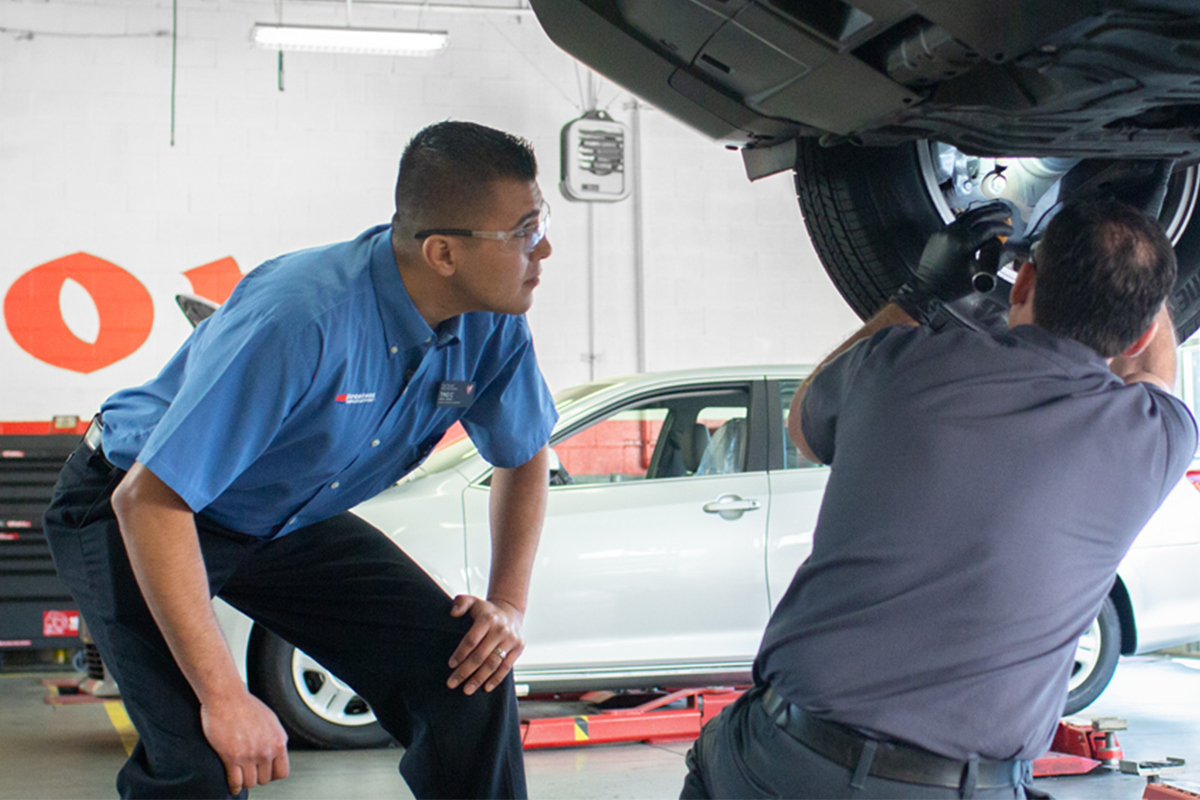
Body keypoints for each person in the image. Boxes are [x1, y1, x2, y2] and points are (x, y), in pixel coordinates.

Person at [43, 120, 557, 800]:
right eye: (522, 232)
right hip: (134, 508)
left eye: (540, 222)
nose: (543, 249)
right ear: (442, 253)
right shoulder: (305, 317)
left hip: (278, 518)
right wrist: (226, 697)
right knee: (205, 759)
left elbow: (524, 456)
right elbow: (151, 500)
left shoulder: (493, 322)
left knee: (465, 674)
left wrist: (508, 606)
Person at [680, 197, 1198, 800]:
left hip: (784, 759)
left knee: (716, 756)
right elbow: (1152, 366)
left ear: (1023, 279)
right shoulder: (1155, 437)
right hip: (957, 788)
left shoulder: (895, 362)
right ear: (1139, 330)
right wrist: (1140, 279)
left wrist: (918, 293)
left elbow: (802, 422)